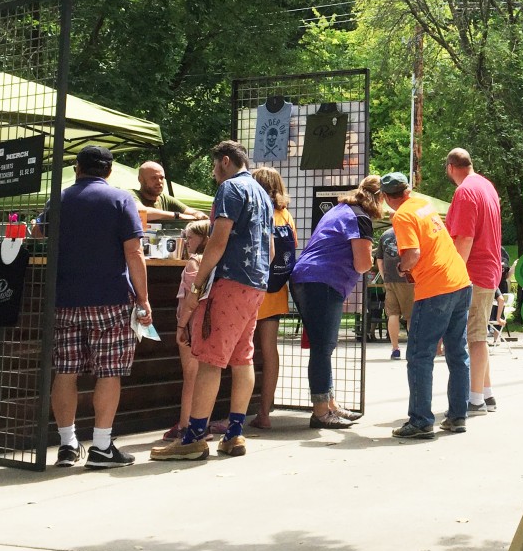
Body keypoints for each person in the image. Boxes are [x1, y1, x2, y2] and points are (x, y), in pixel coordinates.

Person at [151, 140, 273, 461]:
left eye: (214, 167)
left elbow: (216, 244)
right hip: (257, 283)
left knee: (210, 360)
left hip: (230, 281)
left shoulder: (230, 189)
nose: (214, 174)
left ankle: (193, 437)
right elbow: (270, 250)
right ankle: (234, 434)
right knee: (242, 358)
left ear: (225, 161)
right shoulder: (263, 194)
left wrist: (196, 289)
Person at [36, 144, 151, 469]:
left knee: (66, 371)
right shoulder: (120, 199)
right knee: (109, 371)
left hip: (65, 299)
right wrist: (143, 299)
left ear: (77, 168)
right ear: (109, 171)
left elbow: (38, 231)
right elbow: (134, 253)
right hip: (111, 298)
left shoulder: (59, 199)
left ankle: (67, 444)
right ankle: (101, 447)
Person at [381, 171, 472, 439]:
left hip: (435, 289)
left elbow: (412, 254)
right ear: (407, 190)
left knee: (420, 355)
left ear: (387, 198)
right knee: (458, 352)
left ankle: (421, 421)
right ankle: (457, 416)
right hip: (460, 281)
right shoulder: (424, 205)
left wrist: (401, 266)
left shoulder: (402, 216)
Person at [289, 175, 382, 430]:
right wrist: (372, 257)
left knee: (323, 347)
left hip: (306, 278)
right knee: (322, 348)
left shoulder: (340, 209)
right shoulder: (361, 218)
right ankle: (321, 412)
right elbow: (363, 264)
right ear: (379, 199)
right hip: (323, 281)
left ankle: (329, 404)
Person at [444, 148, 502, 416]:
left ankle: (475, 400)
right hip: (489, 269)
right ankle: (486, 393)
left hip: (473, 272)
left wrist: (452, 273)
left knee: (474, 337)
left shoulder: (465, 191)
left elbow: (464, 238)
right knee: (479, 334)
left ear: (450, 167)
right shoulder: (486, 186)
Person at [249, 166, 297, 430]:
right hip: (277, 291)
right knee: (270, 352)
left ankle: (233, 411)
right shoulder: (286, 216)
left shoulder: (255, 212)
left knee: (240, 352)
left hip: (252, 289)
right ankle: (264, 412)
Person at [162, 220, 210, 440]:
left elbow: (193, 297)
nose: (186, 241)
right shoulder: (211, 262)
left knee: (190, 376)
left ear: (203, 238)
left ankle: (184, 425)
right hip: (206, 325)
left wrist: (182, 325)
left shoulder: (193, 263)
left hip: (190, 324)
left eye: (190, 237)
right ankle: (201, 424)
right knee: (202, 375)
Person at [376, 225, 412, 359]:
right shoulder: (409, 231)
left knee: (392, 314)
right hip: (408, 279)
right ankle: (412, 348)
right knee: (411, 315)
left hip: (389, 279)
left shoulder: (384, 235)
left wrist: (384, 277)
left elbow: (379, 259)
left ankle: (395, 348)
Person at [132, 160, 208, 223]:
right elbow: (142, 213)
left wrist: (199, 215)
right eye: (154, 178)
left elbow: (190, 212)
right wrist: (177, 216)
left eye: (161, 178)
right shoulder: (131, 195)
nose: (159, 182)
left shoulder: (165, 199)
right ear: (140, 179)